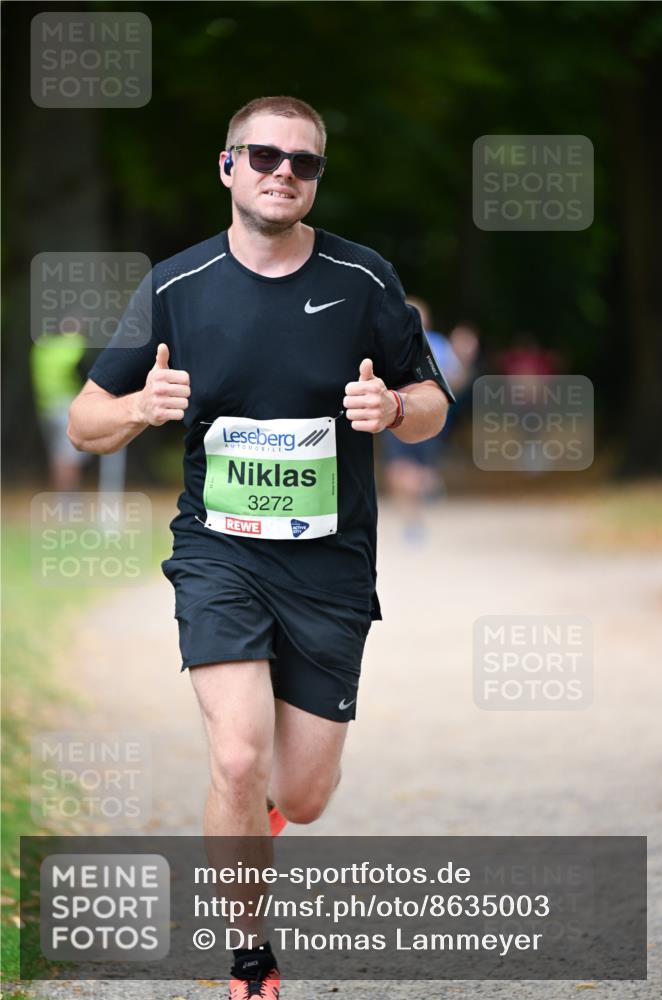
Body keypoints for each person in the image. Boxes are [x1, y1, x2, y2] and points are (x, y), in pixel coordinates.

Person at [67, 95, 455, 997]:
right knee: (236, 755)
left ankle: (254, 818)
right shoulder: (175, 284)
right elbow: (88, 420)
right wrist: (136, 409)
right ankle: (250, 951)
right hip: (219, 553)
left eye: (304, 163)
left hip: (329, 563)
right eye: (265, 155)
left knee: (305, 795)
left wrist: (395, 410)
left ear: (316, 178)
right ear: (227, 166)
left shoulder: (364, 280)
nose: (284, 172)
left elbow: (430, 398)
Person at [381, 297, 465, 540]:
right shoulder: (389, 343)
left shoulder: (438, 344)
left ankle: (425, 490)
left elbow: (456, 382)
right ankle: (412, 520)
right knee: (398, 471)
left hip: (427, 421)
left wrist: (461, 357)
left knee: (418, 474)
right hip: (395, 416)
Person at [31, 328, 89, 491]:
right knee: (70, 456)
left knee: (57, 456)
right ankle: (69, 498)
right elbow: (85, 373)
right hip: (67, 406)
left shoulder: (42, 348)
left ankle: (61, 496)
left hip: (46, 407)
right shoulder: (75, 346)